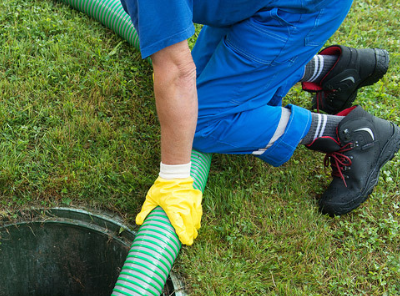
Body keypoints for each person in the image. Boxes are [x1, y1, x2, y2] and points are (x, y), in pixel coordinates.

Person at [120, 0, 400, 245]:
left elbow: (177, 72)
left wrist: (174, 180)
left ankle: (352, 134)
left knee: (203, 121)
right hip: (248, 5)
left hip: (297, 7)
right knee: (195, 91)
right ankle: (331, 71)